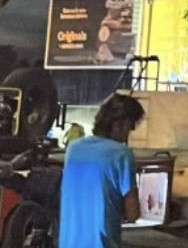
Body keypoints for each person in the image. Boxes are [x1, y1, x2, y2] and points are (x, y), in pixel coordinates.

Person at [59, 94, 143, 248]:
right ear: (121, 123)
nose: (127, 135)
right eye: (129, 128)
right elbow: (133, 213)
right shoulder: (121, 153)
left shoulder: (72, 148)